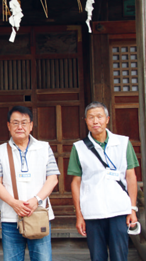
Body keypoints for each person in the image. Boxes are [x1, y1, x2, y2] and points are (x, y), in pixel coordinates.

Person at [68, 101, 139, 261]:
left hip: (119, 209)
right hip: (92, 211)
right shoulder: (79, 148)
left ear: (107, 119)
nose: (95, 121)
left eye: (99, 116)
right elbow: (76, 182)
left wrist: (132, 208)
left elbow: (131, 176)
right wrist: (79, 215)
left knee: (119, 256)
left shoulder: (123, 143)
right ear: (85, 120)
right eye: (91, 117)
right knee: (97, 256)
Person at [0, 105, 60, 261]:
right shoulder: (0, 151)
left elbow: (53, 178)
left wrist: (36, 200)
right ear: (8, 126)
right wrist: (14, 203)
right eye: (15, 123)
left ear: (31, 126)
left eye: (24, 122)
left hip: (39, 214)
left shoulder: (44, 148)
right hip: (11, 218)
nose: (19, 127)